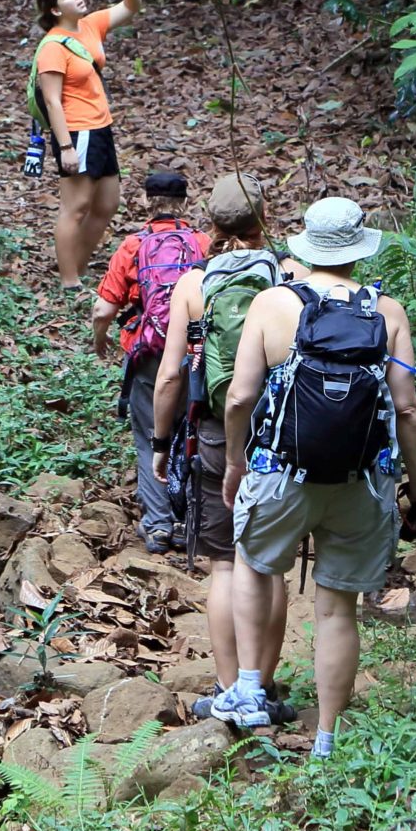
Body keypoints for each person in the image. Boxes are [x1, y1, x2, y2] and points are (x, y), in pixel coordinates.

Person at [215, 197, 416, 758]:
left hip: (279, 473)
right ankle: (326, 740)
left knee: (255, 565)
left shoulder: (271, 304)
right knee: (337, 609)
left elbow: (240, 396)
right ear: (361, 247)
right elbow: (406, 410)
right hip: (360, 484)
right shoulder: (389, 312)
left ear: (306, 246)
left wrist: (236, 462)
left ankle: (245, 689)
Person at [152, 174, 302, 721]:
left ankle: (227, 688)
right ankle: (262, 686)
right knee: (269, 567)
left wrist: (160, 443)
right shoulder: (289, 277)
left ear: (209, 225)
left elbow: (170, 375)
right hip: (280, 436)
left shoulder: (194, 285)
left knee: (223, 566)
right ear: (265, 216)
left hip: (215, 435)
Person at [92, 172, 210, 553]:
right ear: (186, 203)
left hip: (150, 356)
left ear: (146, 202)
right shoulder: (204, 244)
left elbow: (102, 309)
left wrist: (102, 340)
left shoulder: (134, 245)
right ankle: (192, 522)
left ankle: (159, 526)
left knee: (150, 438)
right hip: (197, 354)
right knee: (192, 434)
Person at [33, 0, 141, 286]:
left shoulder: (90, 25)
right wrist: (65, 146)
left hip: (101, 128)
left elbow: (131, 7)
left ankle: (78, 266)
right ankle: (69, 281)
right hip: (76, 132)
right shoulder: (53, 46)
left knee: (107, 204)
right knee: (76, 206)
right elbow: (52, 101)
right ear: (55, 9)